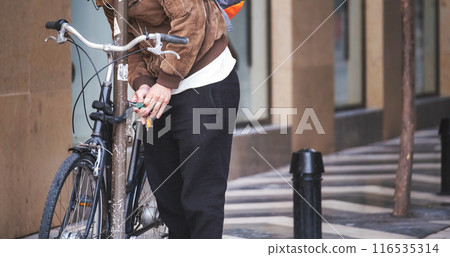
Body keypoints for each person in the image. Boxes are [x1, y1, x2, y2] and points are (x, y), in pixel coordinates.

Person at [96, 0, 240, 238]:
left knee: (201, 198)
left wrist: (165, 83)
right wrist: (142, 83)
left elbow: (192, 22)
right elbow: (126, 42)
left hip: (205, 80)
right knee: (168, 199)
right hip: (159, 87)